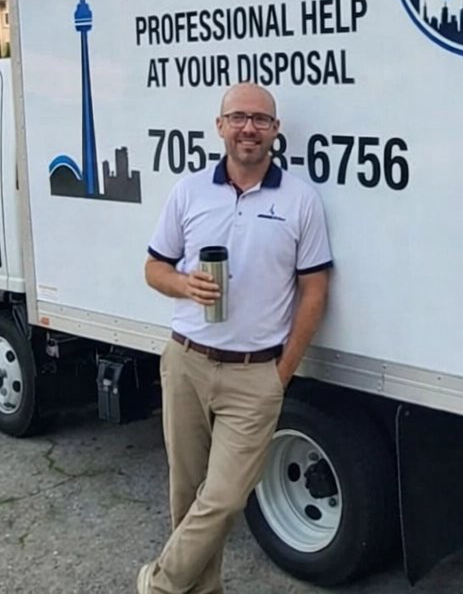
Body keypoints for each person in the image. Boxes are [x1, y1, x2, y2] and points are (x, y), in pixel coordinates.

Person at [137, 82, 333, 594]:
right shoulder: (189, 191)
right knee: (186, 495)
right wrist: (182, 283)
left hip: (256, 374)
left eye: (261, 120)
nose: (250, 128)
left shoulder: (300, 201)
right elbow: (153, 268)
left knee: (223, 498)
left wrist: (281, 372)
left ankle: (158, 585)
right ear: (220, 125)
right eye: (239, 117)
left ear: (275, 130)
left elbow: (314, 291)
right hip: (186, 362)